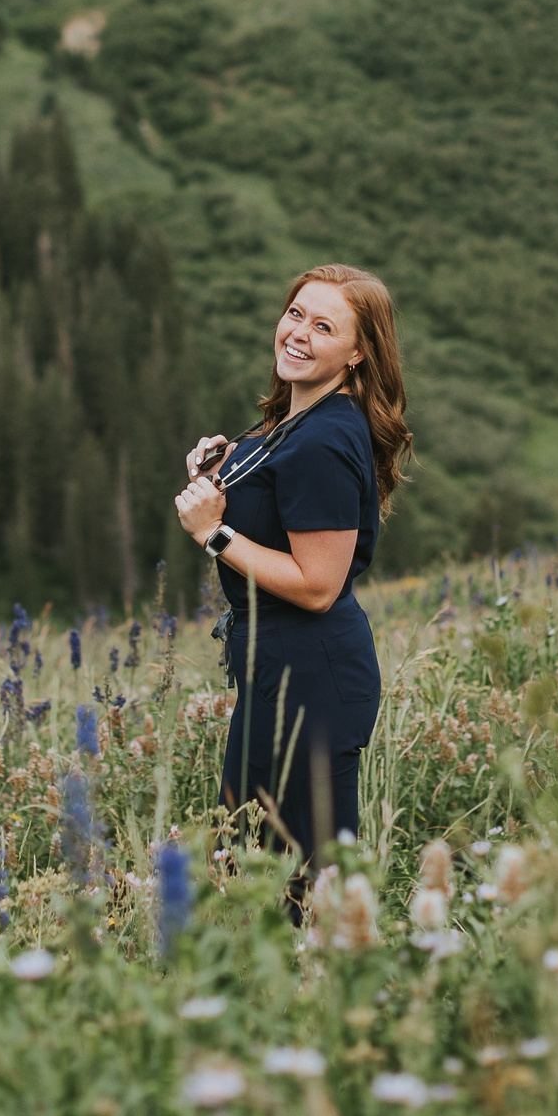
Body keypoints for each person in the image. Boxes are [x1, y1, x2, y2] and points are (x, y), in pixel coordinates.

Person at [173, 264, 411, 871]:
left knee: (302, 875)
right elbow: (278, 497)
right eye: (296, 314)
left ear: (358, 353)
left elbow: (317, 586)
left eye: (324, 327)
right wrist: (225, 471)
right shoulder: (297, 419)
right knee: (250, 859)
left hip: (310, 678)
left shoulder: (322, 440)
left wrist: (213, 533)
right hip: (279, 669)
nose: (299, 333)